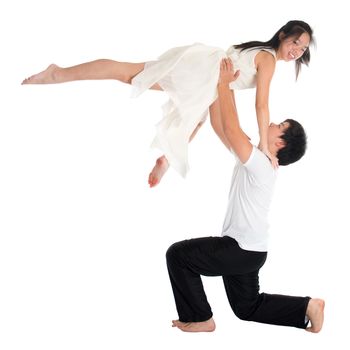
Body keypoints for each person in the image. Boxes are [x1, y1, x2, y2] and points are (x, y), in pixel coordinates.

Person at [22, 20, 313, 187]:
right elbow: (262, 105)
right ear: (283, 34)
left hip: (213, 78)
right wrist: (263, 146)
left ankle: (168, 158)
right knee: (131, 73)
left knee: (205, 120)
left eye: (302, 49)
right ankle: (58, 73)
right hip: (206, 71)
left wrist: (255, 155)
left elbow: (223, 119)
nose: (296, 51)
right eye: (295, 43)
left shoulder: (262, 54)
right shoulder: (268, 59)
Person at [166, 58, 324, 333]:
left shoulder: (260, 164)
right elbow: (221, 125)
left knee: (178, 256)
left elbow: (231, 129)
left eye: (278, 125)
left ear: (280, 142)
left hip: (240, 249)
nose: (272, 122)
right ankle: (307, 307)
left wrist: (225, 84)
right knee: (247, 307)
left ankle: (200, 317)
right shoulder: (256, 159)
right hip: (251, 250)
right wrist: (217, 86)